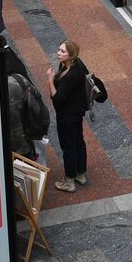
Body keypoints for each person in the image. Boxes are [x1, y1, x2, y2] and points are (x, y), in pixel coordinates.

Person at [45, 40, 89, 192]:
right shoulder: (72, 65)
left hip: (67, 115)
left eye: (62, 51)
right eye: (59, 50)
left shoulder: (72, 74)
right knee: (78, 141)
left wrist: (50, 80)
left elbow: (57, 99)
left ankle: (69, 181)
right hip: (76, 112)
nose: (58, 53)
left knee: (69, 146)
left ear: (71, 55)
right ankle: (80, 174)